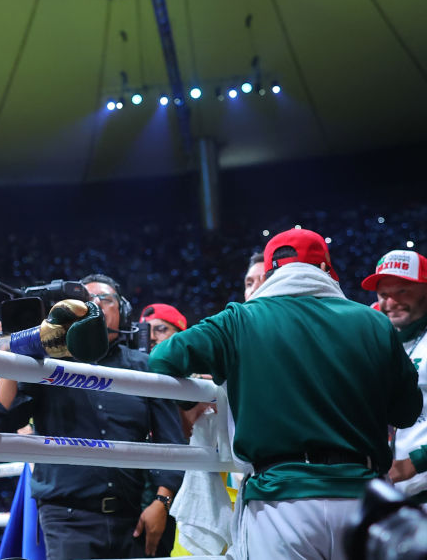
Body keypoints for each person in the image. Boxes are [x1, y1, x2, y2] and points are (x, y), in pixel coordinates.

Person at [149, 228, 423, 559]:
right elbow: (407, 413)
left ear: (270, 273)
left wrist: (195, 397)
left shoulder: (239, 319)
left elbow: (162, 359)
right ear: (325, 270)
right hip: (361, 498)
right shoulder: (374, 323)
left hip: (279, 501)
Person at [0, 274, 186, 560]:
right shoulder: (49, 365)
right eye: (83, 301)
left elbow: (171, 441)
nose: (94, 305)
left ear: (123, 311)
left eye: (104, 299)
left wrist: (161, 502)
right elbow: (3, 420)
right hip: (67, 518)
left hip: (135, 517)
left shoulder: (145, 368)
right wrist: (18, 351)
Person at [360, 249, 427, 503]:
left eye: (403, 291)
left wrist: (416, 462)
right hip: (389, 497)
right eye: (384, 294)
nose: (391, 302)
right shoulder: (374, 337)